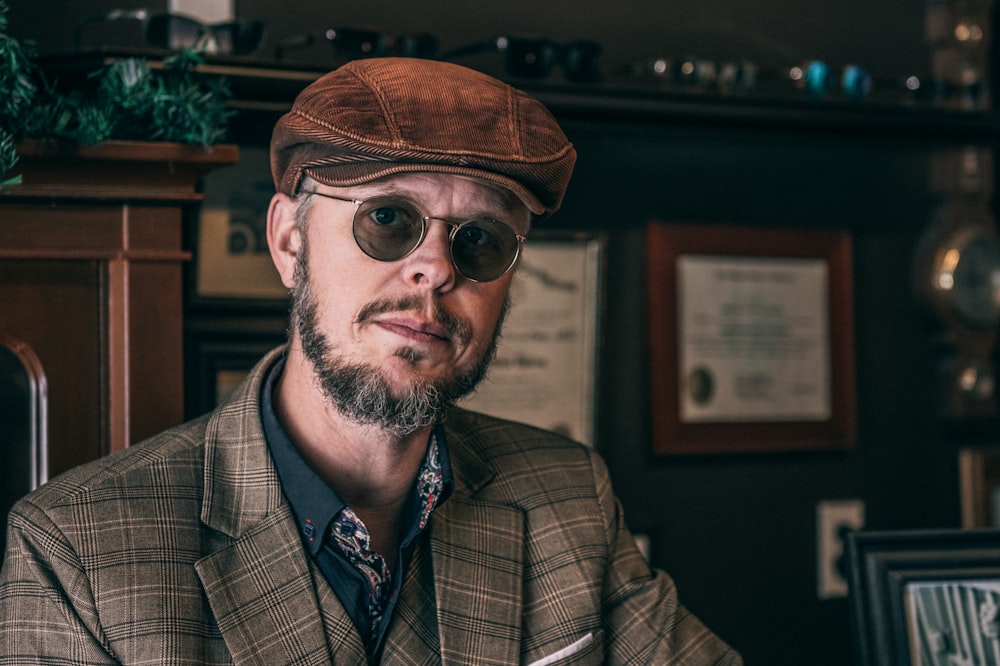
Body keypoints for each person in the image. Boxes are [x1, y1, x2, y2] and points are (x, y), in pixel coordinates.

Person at [0, 57, 741, 665]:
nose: (435, 270)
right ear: (290, 241)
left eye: (479, 239)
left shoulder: (567, 498)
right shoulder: (78, 553)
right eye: (388, 219)